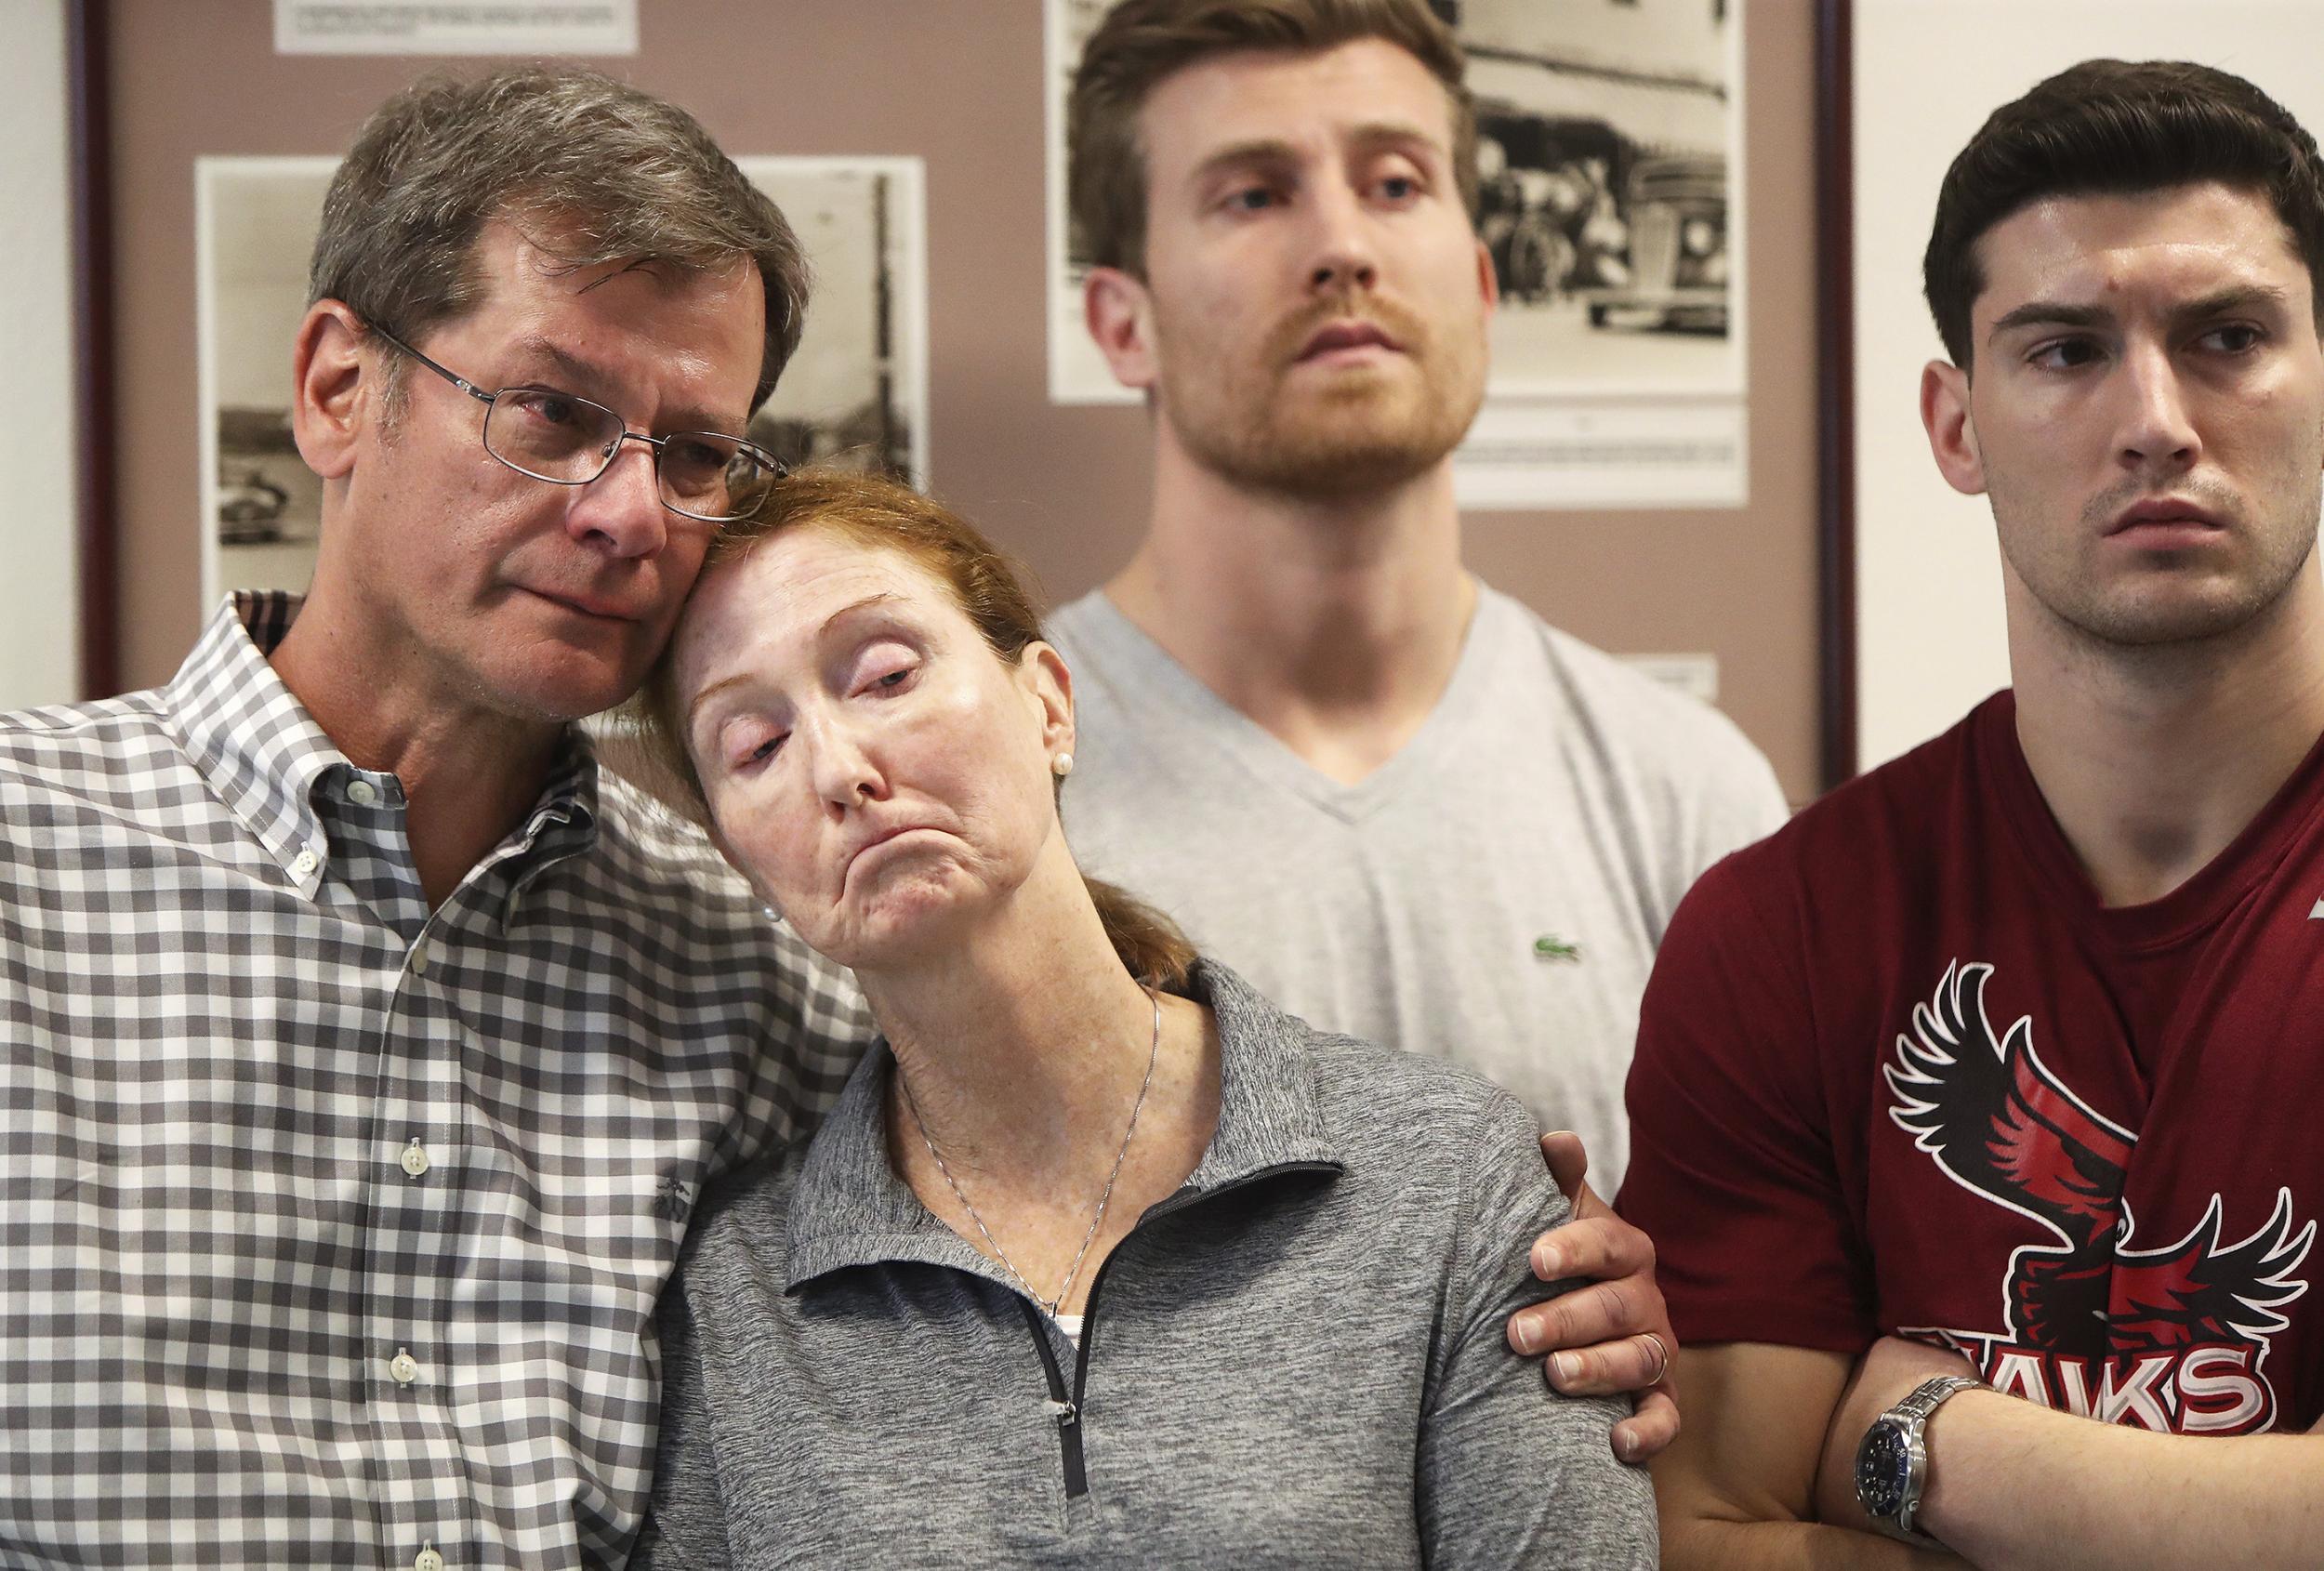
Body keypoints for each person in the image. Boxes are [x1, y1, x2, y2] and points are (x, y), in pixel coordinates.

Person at [0, 66, 877, 1568]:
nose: (629, 516)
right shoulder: (24, 867)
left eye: (692, 454)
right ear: (340, 390)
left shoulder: (760, 989)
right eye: (554, 412)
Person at [626, 469, 1660, 1567]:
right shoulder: (735, 1294)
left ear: (1049, 705)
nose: (839, 768)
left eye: (884, 675)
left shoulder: (1449, 1184)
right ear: (738, 854)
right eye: (754, 746)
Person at [1050, 0, 1789, 1456]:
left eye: (1396, 183)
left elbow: (1761, 1391)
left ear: (1481, 274)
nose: (1343, 245)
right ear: (1117, 319)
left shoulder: (1682, 788)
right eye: (1254, 193)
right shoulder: (1006, 784)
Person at [1620, 59, 2324, 1569]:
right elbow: (1713, 1536)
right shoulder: (1785, 933)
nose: (2157, 422)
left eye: (2229, 338)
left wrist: (1927, 1435)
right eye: (2066, 350)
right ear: (1956, 424)